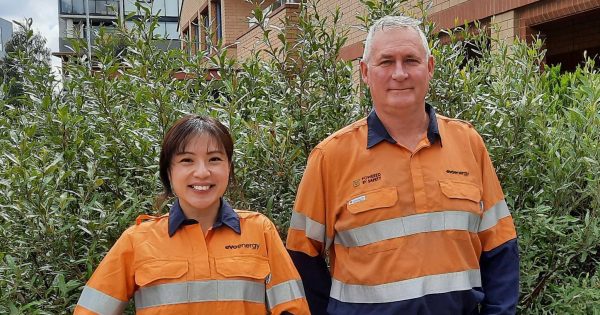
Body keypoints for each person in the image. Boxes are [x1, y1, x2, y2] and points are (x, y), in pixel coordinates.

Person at [286, 15, 519, 315]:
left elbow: (500, 248)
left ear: (430, 68)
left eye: (411, 60)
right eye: (386, 62)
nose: (399, 73)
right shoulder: (331, 157)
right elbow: (301, 257)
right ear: (365, 72)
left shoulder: (468, 143)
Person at [75, 115, 309, 314]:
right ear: (169, 171)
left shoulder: (260, 231)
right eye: (186, 160)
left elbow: (293, 309)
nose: (202, 172)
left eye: (214, 159)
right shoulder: (137, 241)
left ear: (229, 167)